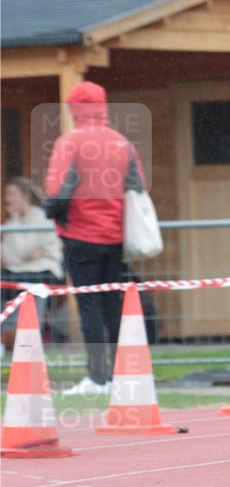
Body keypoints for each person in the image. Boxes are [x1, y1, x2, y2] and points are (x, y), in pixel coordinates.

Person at [44, 80, 148, 396]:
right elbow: (139, 187)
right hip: (115, 237)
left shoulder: (70, 142)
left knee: (88, 306)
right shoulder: (121, 142)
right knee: (112, 305)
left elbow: (57, 192)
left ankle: (97, 377)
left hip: (79, 235)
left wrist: (53, 212)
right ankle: (119, 374)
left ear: (74, 107)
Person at [1, 177, 64, 347]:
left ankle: (23, 334)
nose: (7, 198)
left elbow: (21, 252)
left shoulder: (40, 217)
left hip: (44, 270)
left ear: (25, 196)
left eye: (12, 194)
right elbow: (9, 257)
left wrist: (14, 224)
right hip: (20, 270)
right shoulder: (11, 222)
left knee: (13, 285)